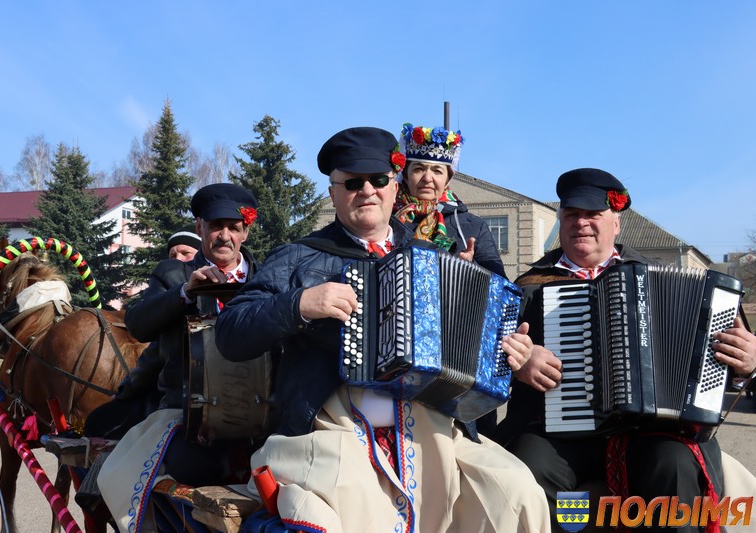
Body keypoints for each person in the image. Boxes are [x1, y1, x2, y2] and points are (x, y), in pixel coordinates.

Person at [216, 126, 550, 532]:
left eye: (378, 180)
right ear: (333, 193)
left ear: (395, 188)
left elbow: (479, 344)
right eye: (352, 183)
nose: (367, 191)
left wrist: (511, 352)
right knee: (355, 500)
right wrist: (300, 304)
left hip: (431, 424)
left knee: (516, 492)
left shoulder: (431, 257)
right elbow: (231, 333)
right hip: (334, 423)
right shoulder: (299, 256)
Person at [493, 168, 756, 531]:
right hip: (556, 432)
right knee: (527, 470)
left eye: (593, 215)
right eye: (572, 214)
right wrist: (519, 362)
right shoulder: (527, 287)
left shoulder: (655, 276)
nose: (581, 223)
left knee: (675, 464)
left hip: (647, 430)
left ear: (616, 224)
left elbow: (721, 360)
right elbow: (487, 361)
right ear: (560, 221)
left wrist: (747, 361)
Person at [94, 183, 261, 531]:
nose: (224, 236)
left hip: (260, 416)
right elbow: (138, 324)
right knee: (191, 469)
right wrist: (185, 292)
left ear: (246, 231)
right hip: (187, 415)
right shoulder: (172, 275)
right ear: (200, 227)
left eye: (234, 227)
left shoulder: (266, 277)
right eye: (216, 226)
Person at [393, 122, 505, 276]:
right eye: (418, 169)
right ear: (405, 175)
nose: (427, 178)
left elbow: (502, 286)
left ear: (448, 179)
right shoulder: (387, 221)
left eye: (437, 171)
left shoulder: (473, 226)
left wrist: (472, 267)